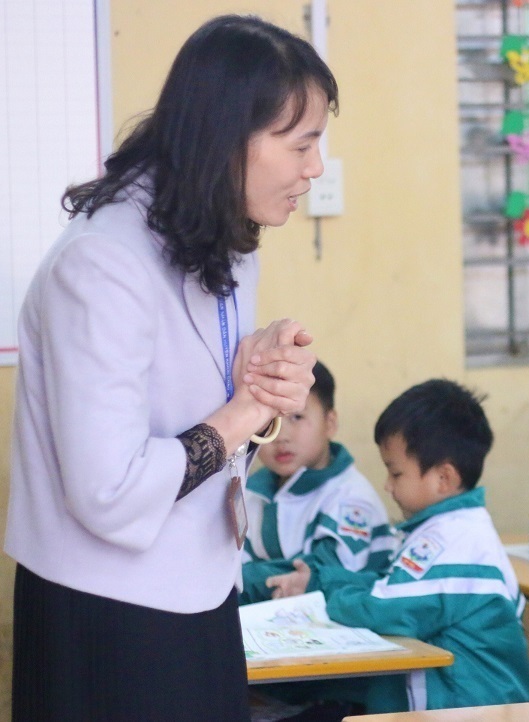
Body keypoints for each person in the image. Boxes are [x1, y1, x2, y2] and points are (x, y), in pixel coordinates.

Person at [5, 15, 334, 721]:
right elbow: (108, 492)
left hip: (201, 584)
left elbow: (211, 387)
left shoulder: (224, 228)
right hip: (107, 614)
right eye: (301, 143)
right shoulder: (101, 264)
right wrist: (249, 407)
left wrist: (265, 367)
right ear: (228, 140)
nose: (316, 167)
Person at [264, 379, 529, 713]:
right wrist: (318, 581)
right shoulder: (447, 528)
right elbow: (390, 587)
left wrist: (321, 593)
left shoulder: (455, 539)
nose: (387, 486)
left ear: (443, 479)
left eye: (395, 473)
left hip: (469, 712)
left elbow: (384, 609)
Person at [239, 360, 396, 604]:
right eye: (269, 422)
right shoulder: (250, 492)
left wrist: (237, 581)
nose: (281, 436)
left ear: (330, 423)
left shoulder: (351, 497)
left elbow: (317, 574)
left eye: (297, 418)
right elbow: (232, 559)